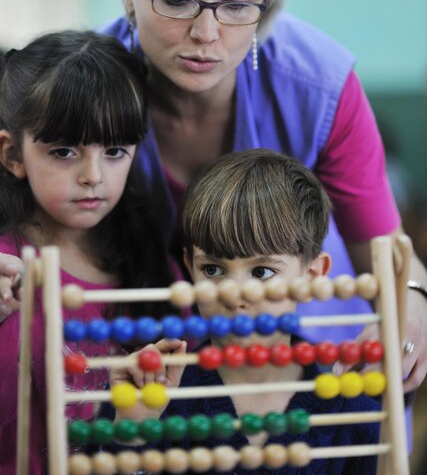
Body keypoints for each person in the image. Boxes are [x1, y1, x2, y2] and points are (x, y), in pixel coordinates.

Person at [1, 0, 426, 389]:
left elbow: (388, 255)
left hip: (314, 369)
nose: (207, 32)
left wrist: (413, 299)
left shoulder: (321, 86)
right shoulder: (85, 83)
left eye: (238, 2)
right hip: (156, 383)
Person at [109, 150, 382, 474]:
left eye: (262, 272)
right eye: (212, 269)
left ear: (312, 276)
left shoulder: (350, 414)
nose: (233, 294)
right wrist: (131, 436)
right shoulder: (158, 401)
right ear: (189, 267)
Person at [0, 30, 175, 475]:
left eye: (115, 150)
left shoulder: (153, 265)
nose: (93, 176)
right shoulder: (3, 269)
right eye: (64, 152)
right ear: (12, 154)